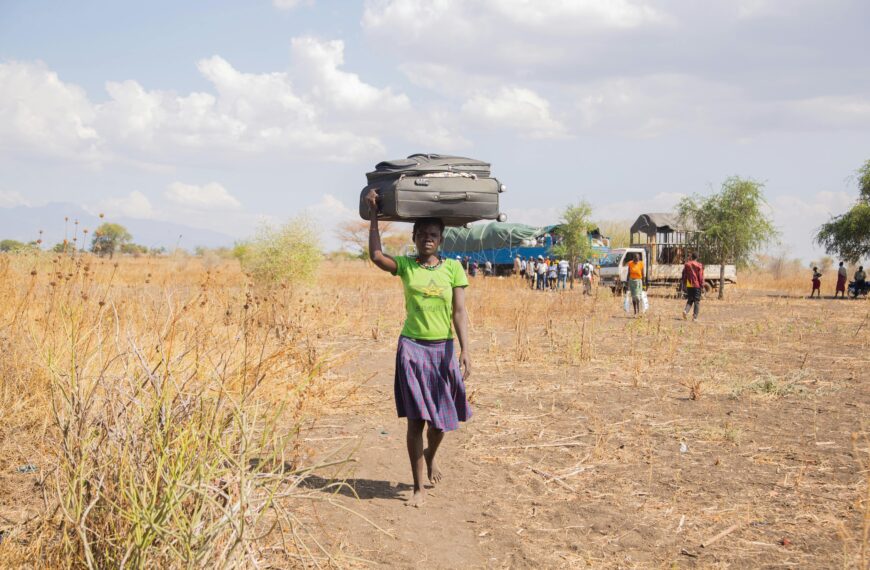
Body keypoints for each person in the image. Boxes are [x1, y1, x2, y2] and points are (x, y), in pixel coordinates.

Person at [364, 189, 472, 508]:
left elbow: (459, 312)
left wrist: (466, 350)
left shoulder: (453, 269)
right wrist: (373, 214)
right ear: (414, 236)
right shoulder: (406, 266)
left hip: (443, 351)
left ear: (441, 239)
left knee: (440, 423)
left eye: (433, 234)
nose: (428, 238)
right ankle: (417, 488)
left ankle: (430, 454)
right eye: (422, 233)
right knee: (416, 421)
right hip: (411, 349)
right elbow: (375, 256)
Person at [682, 252, 704, 321]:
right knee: (696, 301)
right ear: (697, 258)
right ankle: (695, 317)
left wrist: (684, 283)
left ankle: (685, 311)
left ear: (691, 257)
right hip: (697, 285)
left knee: (690, 300)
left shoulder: (687, 265)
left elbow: (684, 275)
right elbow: (700, 277)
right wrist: (702, 285)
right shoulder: (699, 265)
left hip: (689, 284)